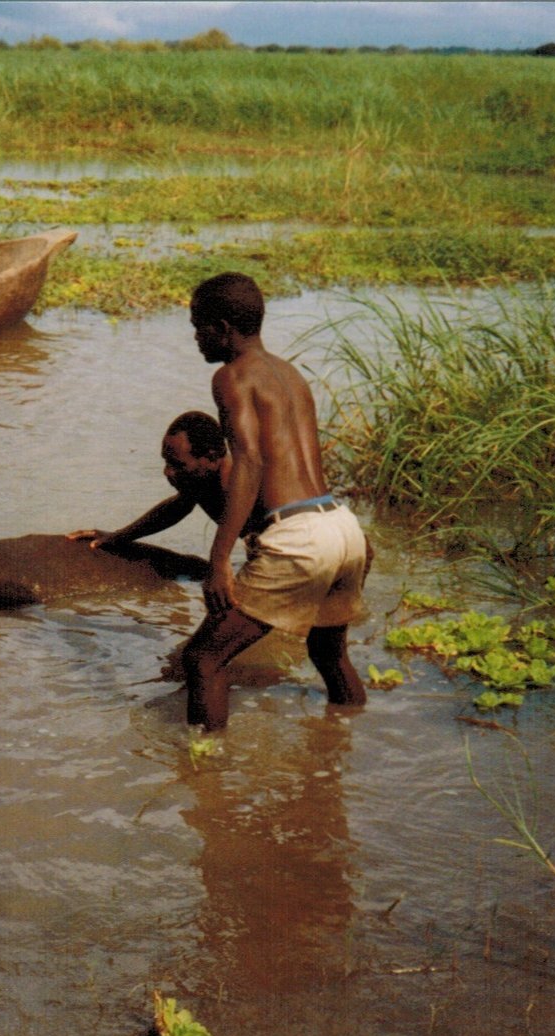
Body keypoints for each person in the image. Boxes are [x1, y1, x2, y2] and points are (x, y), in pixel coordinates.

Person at [181, 272, 368, 730]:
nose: (195, 337)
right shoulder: (289, 373)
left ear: (223, 328)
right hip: (342, 527)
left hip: (300, 538)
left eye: (198, 326)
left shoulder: (231, 377)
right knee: (328, 654)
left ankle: (206, 780)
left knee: (203, 660)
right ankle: (344, 744)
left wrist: (219, 559)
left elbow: (250, 461)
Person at [67, 410, 266, 552]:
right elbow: (177, 508)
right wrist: (117, 537)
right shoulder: (205, 480)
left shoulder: (237, 487)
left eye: (178, 465)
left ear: (212, 458)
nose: (168, 472)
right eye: (166, 462)